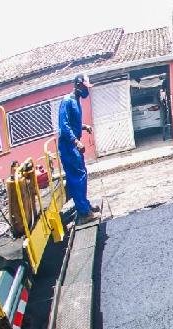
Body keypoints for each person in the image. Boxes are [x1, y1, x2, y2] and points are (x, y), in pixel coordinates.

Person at [57, 74, 99, 224]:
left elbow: (73, 123)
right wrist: (76, 141)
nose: (87, 91)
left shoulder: (76, 101)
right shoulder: (67, 101)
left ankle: (85, 205)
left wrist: (83, 126)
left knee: (82, 174)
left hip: (73, 144)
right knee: (76, 177)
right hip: (68, 146)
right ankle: (83, 212)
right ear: (78, 85)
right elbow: (64, 126)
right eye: (85, 87)